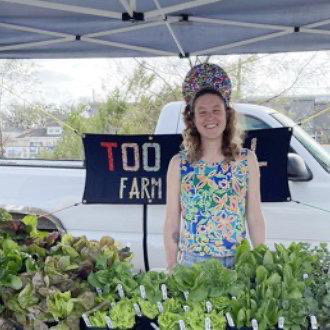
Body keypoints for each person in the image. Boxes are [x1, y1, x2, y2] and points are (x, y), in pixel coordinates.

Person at [163, 63, 265, 270]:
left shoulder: (247, 161)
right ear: (192, 119)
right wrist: (172, 266)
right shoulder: (179, 164)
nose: (210, 117)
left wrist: (262, 262)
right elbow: (172, 221)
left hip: (238, 263)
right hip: (193, 267)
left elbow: (254, 216)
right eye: (202, 112)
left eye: (216, 110)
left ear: (227, 115)